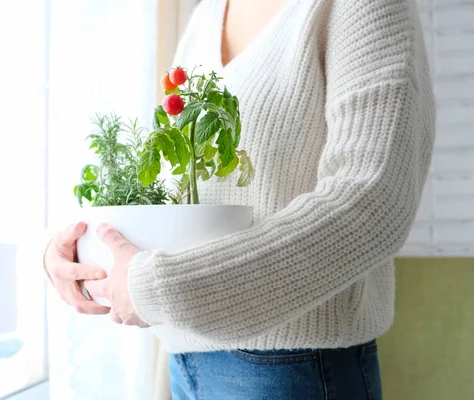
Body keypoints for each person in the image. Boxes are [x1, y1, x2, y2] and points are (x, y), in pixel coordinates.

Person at [43, 0, 435, 398]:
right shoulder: (206, 14)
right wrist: (79, 249)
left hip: (294, 368)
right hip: (186, 361)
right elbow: (179, 189)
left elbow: (371, 204)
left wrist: (158, 289)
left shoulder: (361, 6)